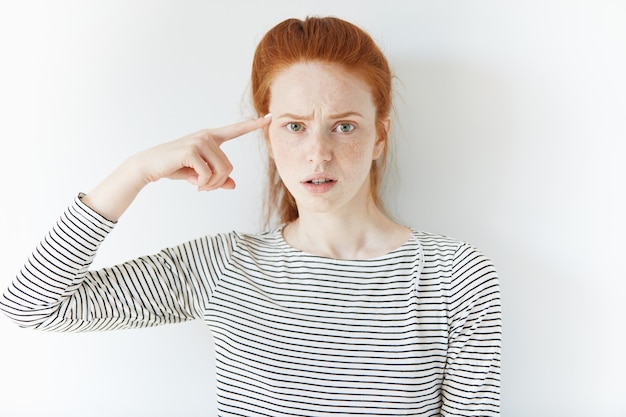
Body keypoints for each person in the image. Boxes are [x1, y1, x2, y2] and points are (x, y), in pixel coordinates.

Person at [1, 16, 501, 417]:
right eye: (295, 126)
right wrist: (136, 171)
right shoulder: (224, 267)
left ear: (380, 136)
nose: (318, 154)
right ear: (268, 136)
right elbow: (31, 306)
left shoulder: (456, 277)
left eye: (344, 126)